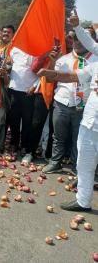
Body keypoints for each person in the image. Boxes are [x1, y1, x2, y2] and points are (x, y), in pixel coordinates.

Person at [37, 62, 98, 212]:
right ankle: (83, 201)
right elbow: (71, 76)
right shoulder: (95, 65)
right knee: (84, 164)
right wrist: (50, 73)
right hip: (90, 124)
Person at [42, 35, 98, 173]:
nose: (77, 42)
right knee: (58, 136)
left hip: (84, 107)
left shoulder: (95, 61)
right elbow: (49, 80)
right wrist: (52, 62)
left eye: (81, 39)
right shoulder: (63, 59)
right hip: (62, 103)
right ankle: (55, 162)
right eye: (75, 39)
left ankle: (77, 168)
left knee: (79, 139)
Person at [8, 40, 37, 161]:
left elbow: (40, 72)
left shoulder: (35, 51)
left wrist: (35, 85)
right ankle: (14, 144)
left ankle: (25, 146)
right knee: (14, 120)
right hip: (14, 89)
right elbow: (10, 65)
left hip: (28, 91)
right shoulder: (14, 50)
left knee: (27, 121)